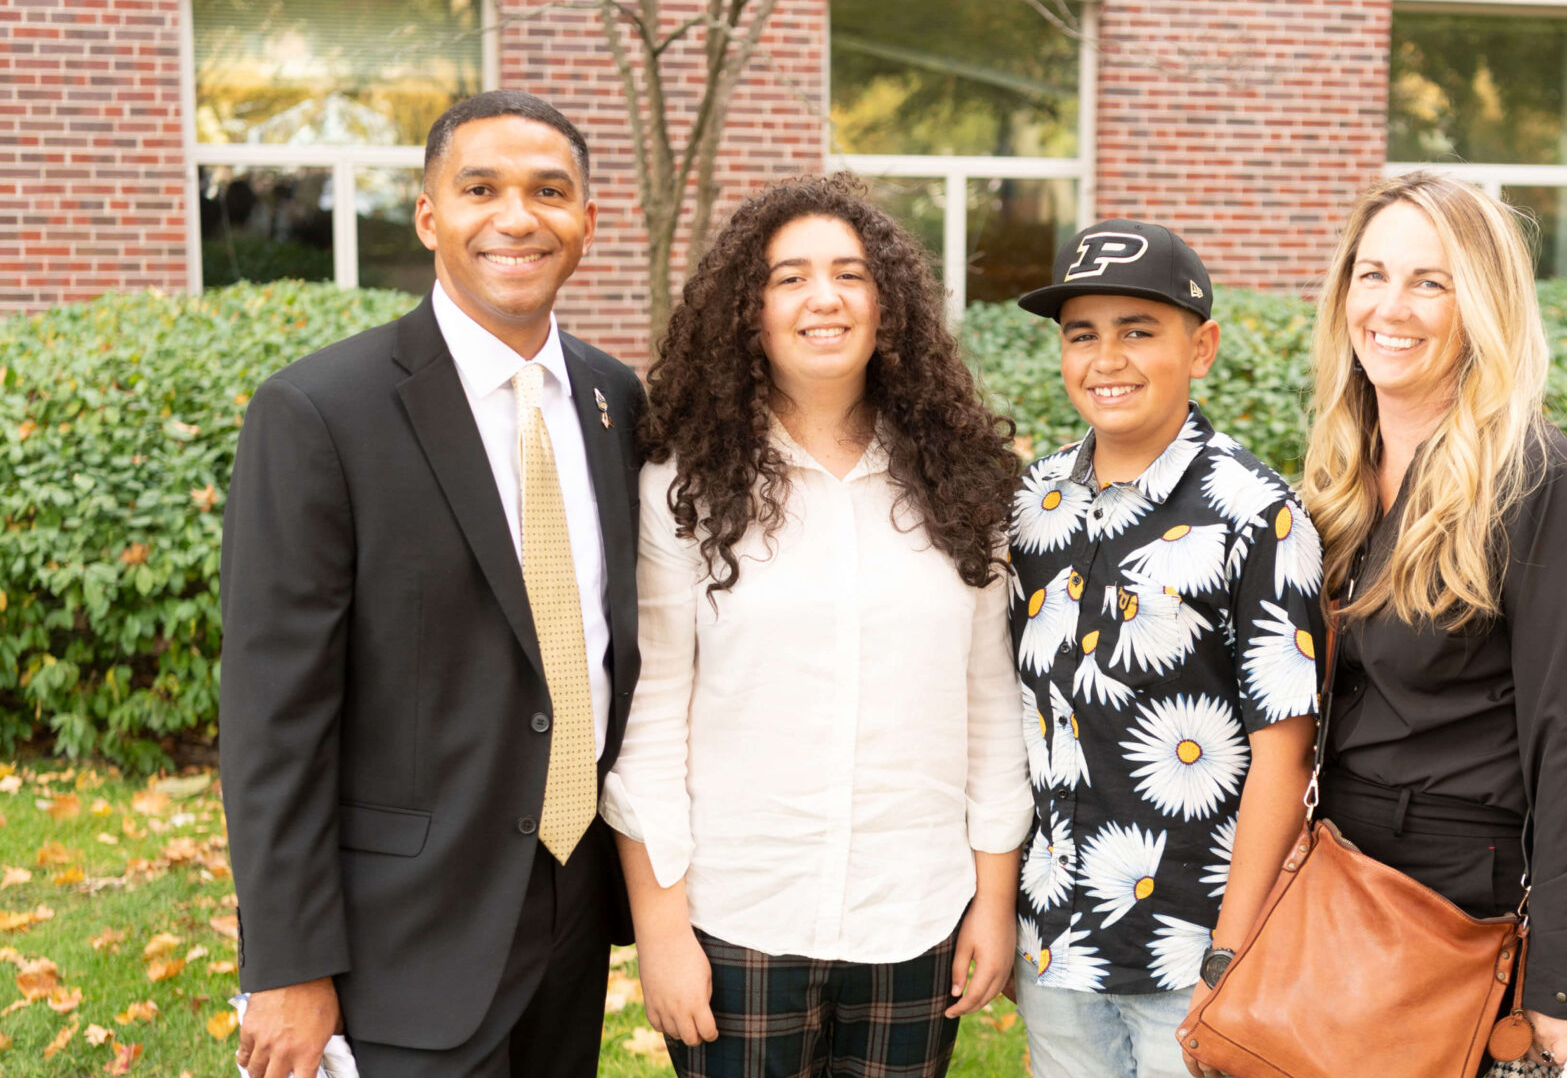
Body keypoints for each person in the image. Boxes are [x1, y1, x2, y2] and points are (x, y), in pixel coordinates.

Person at [219, 89, 643, 1078]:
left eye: (549, 191)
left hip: (573, 916)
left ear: (587, 219)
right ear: (428, 215)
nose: (515, 217)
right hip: (397, 940)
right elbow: (272, 716)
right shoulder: (320, 412)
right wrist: (286, 964)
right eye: (480, 188)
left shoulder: (613, 401)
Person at [600, 172, 1033, 1078]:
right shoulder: (680, 489)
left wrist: (993, 900)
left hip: (915, 911)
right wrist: (661, 927)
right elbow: (650, 725)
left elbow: (991, 704)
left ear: (890, 306)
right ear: (747, 311)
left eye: (850, 273)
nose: (822, 298)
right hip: (739, 913)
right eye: (789, 277)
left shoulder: (965, 488)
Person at [1299, 171, 1567, 1070]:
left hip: (1454, 897)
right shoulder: (1336, 475)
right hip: (1328, 868)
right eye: (1371, 275)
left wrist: (1554, 981)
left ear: (1479, 301)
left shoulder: (1542, 486)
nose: (1389, 306)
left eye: (1428, 281)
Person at [1003, 220, 1323, 1078]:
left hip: (1191, 951)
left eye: (1138, 331)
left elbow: (1284, 751)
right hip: (1056, 942)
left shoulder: (1258, 514)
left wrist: (1231, 949)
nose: (1106, 359)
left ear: (1202, 347)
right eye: (1083, 336)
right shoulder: (1033, 506)